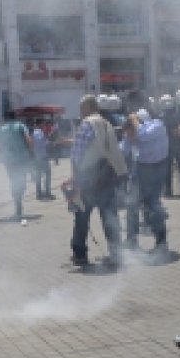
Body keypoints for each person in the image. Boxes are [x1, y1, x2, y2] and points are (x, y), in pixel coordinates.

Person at [69, 95, 127, 267]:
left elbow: (76, 153)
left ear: (87, 108)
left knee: (81, 216)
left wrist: (74, 177)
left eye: (81, 109)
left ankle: (80, 254)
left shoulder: (87, 123)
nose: (80, 113)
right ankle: (117, 254)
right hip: (107, 177)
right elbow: (115, 151)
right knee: (110, 216)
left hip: (88, 177)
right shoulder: (106, 123)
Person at [121, 110, 169, 254]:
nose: (131, 136)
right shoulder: (132, 132)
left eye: (131, 132)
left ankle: (161, 242)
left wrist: (135, 122)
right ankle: (131, 239)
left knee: (152, 205)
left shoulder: (157, 126)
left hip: (157, 168)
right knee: (131, 203)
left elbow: (142, 135)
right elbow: (123, 150)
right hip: (140, 168)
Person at [0, 111, 33, 219]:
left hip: (8, 161)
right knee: (22, 181)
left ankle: (17, 200)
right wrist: (31, 152)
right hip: (21, 159)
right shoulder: (20, 126)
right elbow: (28, 140)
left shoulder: (0, 130)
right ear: (15, 117)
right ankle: (18, 200)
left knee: (13, 180)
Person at [158, 94, 178, 197]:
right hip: (173, 144)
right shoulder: (174, 117)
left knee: (165, 168)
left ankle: (167, 190)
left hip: (162, 145)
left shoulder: (159, 117)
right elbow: (175, 132)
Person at [32, 119, 54, 200]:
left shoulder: (36, 132)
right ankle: (47, 193)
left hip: (37, 157)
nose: (44, 126)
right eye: (43, 124)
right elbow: (42, 141)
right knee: (47, 175)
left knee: (39, 176)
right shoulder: (38, 132)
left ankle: (39, 193)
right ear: (40, 124)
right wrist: (48, 136)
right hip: (42, 157)